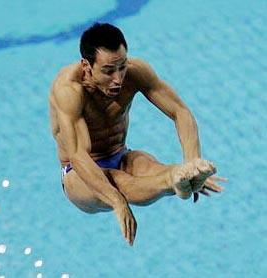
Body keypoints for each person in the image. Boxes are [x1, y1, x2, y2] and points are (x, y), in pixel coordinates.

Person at [49, 23, 226, 246]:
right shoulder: (69, 90)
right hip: (78, 173)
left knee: (149, 166)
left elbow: (180, 112)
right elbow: (78, 155)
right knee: (118, 183)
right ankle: (174, 182)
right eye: (108, 71)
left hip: (120, 154)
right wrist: (117, 202)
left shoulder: (135, 72)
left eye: (122, 67)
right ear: (86, 65)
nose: (118, 78)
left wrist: (193, 161)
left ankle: (182, 177)